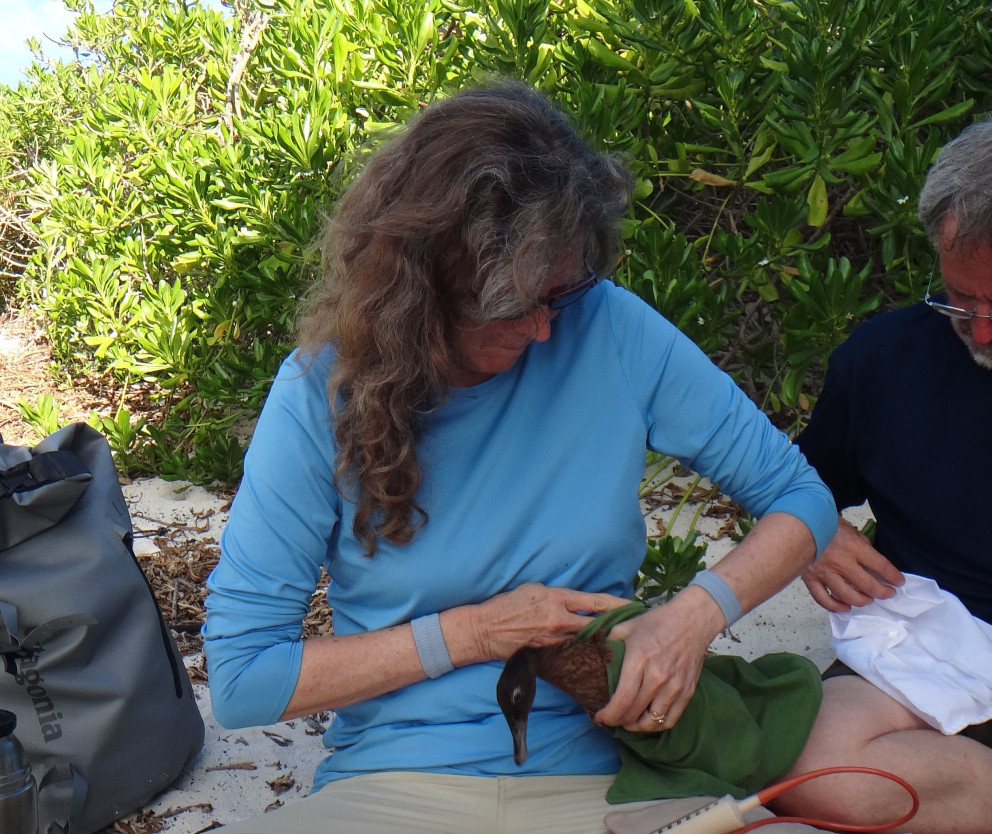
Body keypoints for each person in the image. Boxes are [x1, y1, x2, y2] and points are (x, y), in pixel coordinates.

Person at [202, 80, 837, 834]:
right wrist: (474, 633)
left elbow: (801, 499)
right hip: (396, 787)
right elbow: (244, 681)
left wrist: (692, 617)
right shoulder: (319, 393)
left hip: (603, 781)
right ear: (422, 293)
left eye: (560, 292)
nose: (544, 332)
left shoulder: (608, 326)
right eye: (513, 305)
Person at [774, 121, 992, 832]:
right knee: (816, 774)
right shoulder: (885, 360)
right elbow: (791, 483)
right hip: (926, 643)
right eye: (963, 302)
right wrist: (815, 532)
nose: (981, 333)